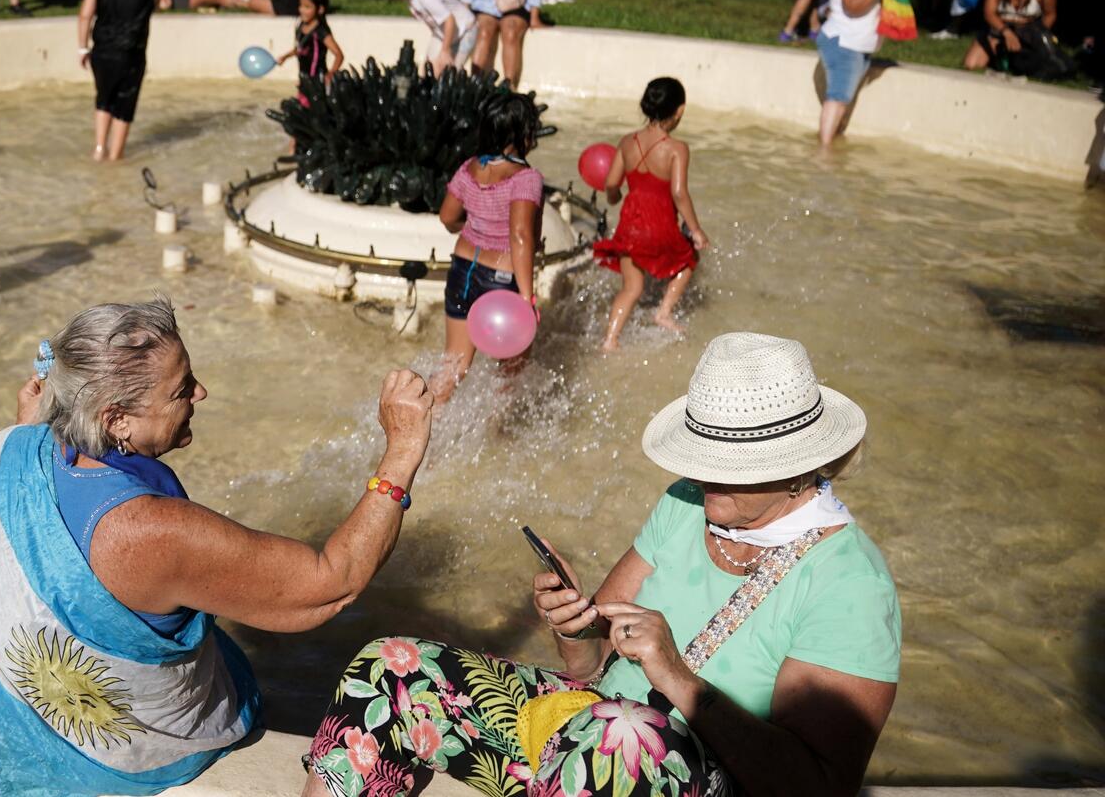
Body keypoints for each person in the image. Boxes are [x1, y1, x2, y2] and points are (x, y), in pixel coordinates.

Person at [304, 331, 898, 797]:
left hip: (693, 773)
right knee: (390, 667)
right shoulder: (687, 503)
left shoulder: (850, 585)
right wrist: (572, 628)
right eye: (704, 454)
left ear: (799, 465)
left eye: (731, 463)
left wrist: (677, 679)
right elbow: (590, 672)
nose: (704, 476)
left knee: (620, 736)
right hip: (588, 744)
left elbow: (819, 786)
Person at [0, 300, 437, 797]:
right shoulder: (148, 531)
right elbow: (330, 584)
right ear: (116, 420)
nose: (201, 392)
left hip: (8, 740)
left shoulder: (8, 448)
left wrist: (19, 433)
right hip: (118, 766)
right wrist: (401, 450)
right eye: (181, 389)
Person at [429, 90, 543, 401]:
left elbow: (447, 216)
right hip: (502, 278)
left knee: (454, 365)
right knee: (512, 370)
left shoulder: (469, 168)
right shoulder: (526, 179)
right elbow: (520, 236)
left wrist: (473, 227)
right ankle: (499, 438)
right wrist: (526, 297)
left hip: (462, 269)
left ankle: (421, 425)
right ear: (523, 133)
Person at [595, 77, 708, 351]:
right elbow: (679, 194)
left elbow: (611, 185)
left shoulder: (627, 142)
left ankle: (610, 339)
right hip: (659, 224)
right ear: (679, 111)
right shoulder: (677, 149)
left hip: (630, 224)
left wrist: (614, 197)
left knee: (632, 288)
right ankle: (663, 312)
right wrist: (695, 230)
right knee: (687, 260)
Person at [78, 0, 166, 162]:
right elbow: (160, 3)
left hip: (103, 53)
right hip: (132, 54)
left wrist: (82, 48)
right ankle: (116, 155)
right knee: (125, 104)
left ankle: (99, 149)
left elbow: (85, 15)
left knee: (104, 98)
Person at [816, 0, 890, 149]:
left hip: (855, 44)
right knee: (838, 97)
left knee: (841, 99)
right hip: (845, 43)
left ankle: (829, 144)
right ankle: (824, 151)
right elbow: (852, 5)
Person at [367, 0, 476, 74]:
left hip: (465, 31)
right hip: (443, 34)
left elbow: (449, 19)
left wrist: (445, 50)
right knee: (429, 71)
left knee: (447, 73)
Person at [274, 0, 342, 99]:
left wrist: (331, 73)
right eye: (301, 6)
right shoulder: (301, 26)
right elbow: (300, 49)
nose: (302, 10)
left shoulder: (320, 31)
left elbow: (338, 54)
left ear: (320, 9)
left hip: (317, 81)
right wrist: (286, 56)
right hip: (304, 80)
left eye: (307, 7)